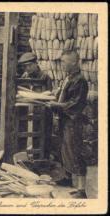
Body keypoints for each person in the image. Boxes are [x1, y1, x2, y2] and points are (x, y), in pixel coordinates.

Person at [47, 50, 89, 199]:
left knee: (74, 151)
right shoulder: (68, 78)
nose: (62, 65)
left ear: (73, 63)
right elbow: (64, 96)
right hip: (64, 120)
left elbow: (75, 104)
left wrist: (56, 105)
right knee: (63, 149)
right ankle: (67, 178)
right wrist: (54, 95)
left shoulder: (80, 81)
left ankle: (82, 190)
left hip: (73, 121)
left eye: (64, 62)